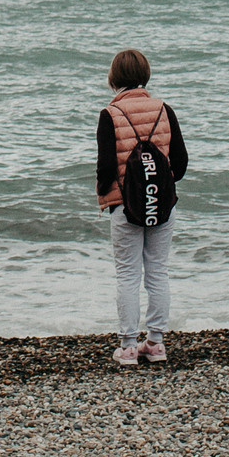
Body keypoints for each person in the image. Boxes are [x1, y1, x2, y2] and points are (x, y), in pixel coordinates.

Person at [94, 47, 188, 366]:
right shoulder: (164, 110)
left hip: (125, 206)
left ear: (114, 78)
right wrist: (160, 185)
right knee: (158, 271)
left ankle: (129, 346)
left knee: (128, 274)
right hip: (162, 204)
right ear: (145, 75)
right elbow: (181, 162)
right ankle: (157, 344)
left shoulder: (110, 114)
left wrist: (106, 197)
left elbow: (106, 168)